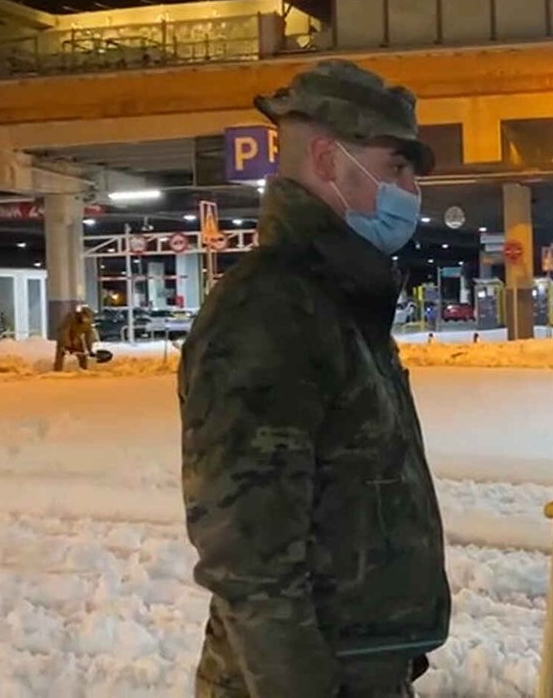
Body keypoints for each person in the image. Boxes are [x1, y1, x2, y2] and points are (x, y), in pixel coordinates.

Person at [179, 59, 450, 698]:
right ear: (329, 160)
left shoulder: (336, 297)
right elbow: (249, 556)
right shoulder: (270, 310)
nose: (411, 190)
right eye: (396, 167)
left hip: (358, 665)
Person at [53, 304, 97, 371]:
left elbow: (88, 336)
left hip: (76, 338)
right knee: (60, 354)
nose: (86, 319)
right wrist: (67, 343)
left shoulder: (87, 324)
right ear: (81, 314)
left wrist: (89, 349)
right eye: (85, 317)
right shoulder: (71, 317)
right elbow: (64, 331)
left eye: (89, 318)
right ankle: (57, 370)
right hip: (64, 338)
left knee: (82, 355)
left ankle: (83, 370)